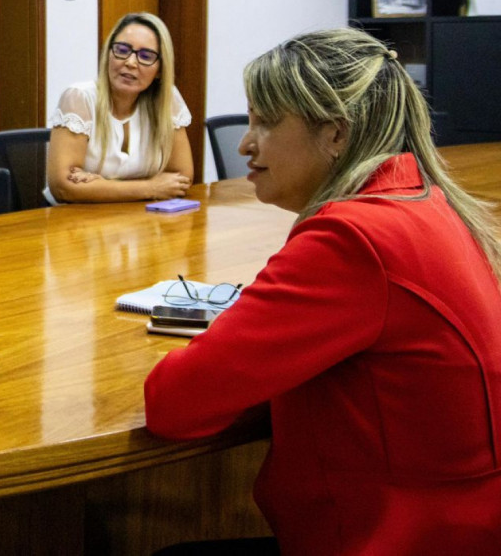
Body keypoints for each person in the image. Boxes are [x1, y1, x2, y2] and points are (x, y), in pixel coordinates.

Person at [143, 28, 501, 554]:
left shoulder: (352, 238)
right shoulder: (428, 203)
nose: (245, 143)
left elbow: (173, 404)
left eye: (265, 122)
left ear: (335, 134)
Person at [44, 12, 193, 204]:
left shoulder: (167, 100)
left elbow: (181, 178)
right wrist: (151, 187)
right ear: (108, 54)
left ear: (160, 70)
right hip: (73, 222)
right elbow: (63, 187)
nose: (130, 63)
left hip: (137, 218)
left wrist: (102, 186)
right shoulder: (79, 98)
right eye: (122, 50)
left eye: (146, 56)